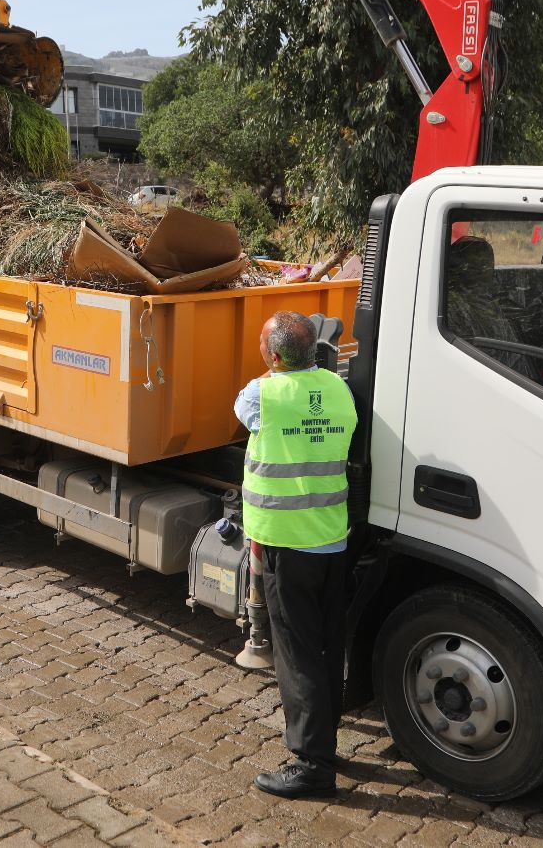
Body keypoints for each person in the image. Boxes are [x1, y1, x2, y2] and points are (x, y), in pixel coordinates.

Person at [234, 310, 357, 799]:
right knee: (327, 648)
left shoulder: (260, 393)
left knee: (297, 655)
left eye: (267, 348)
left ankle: (312, 765)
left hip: (286, 543)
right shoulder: (339, 389)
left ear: (274, 356)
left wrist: (275, 370)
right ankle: (326, 745)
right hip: (331, 540)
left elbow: (242, 413)